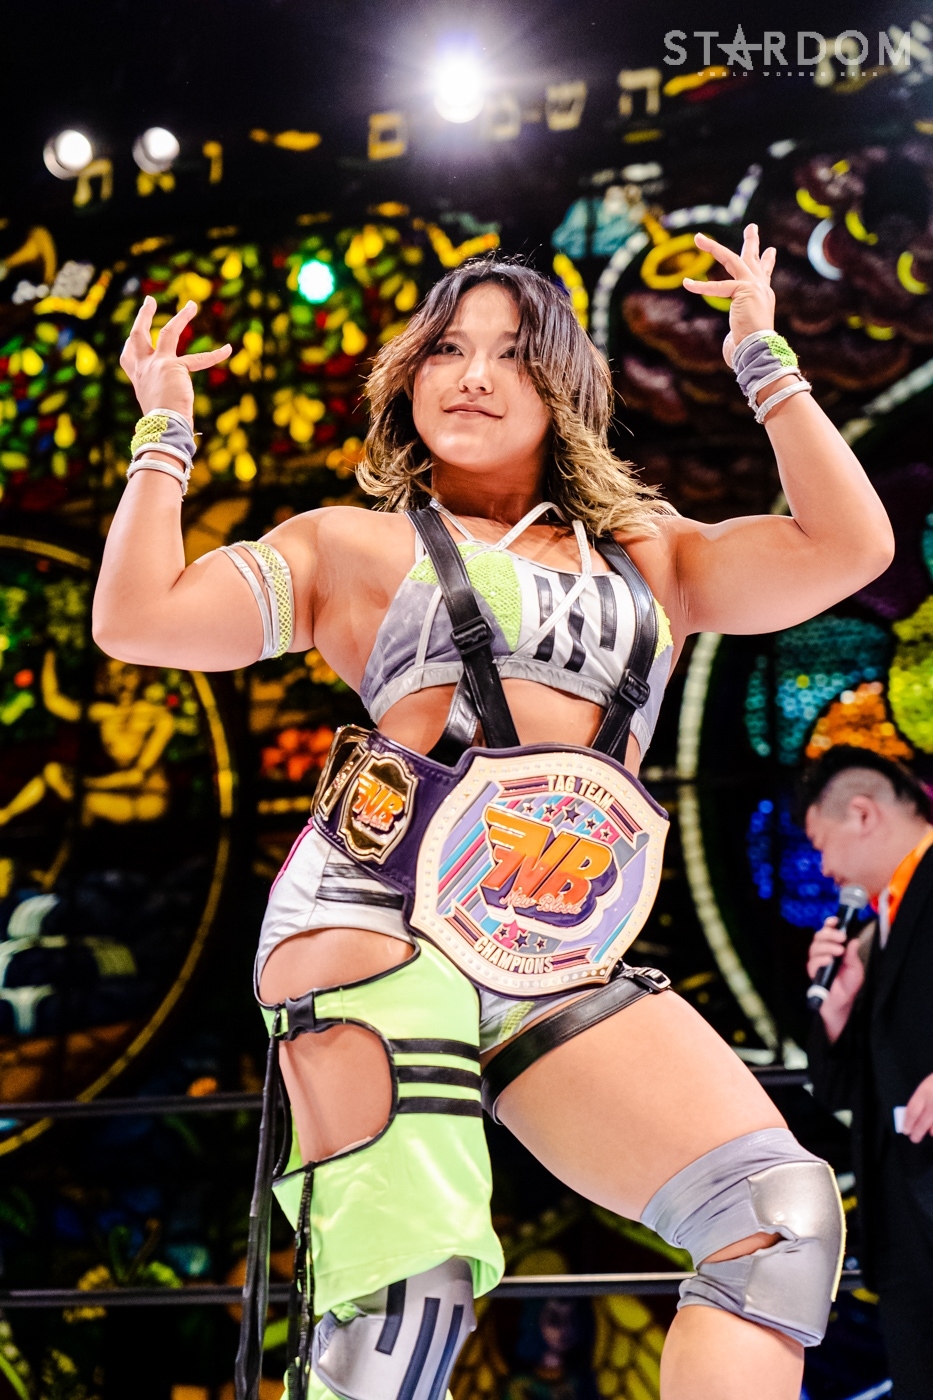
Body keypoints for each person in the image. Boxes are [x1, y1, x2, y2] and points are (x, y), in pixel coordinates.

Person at [93, 228, 894, 1400]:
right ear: (408, 377)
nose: (472, 375)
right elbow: (139, 619)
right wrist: (165, 431)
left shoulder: (652, 557)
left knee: (777, 1216)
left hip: (551, 951)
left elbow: (851, 545)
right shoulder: (351, 545)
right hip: (378, 920)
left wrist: (763, 359)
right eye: (447, 348)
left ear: (563, 387)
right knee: (407, 1305)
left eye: (512, 353)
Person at [804, 746, 933, 1399]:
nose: (825, 869)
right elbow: (840, 1092)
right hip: (902, 1219)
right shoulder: (875, 928)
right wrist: (836, 1013)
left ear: (861, 814)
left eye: (821, 845)